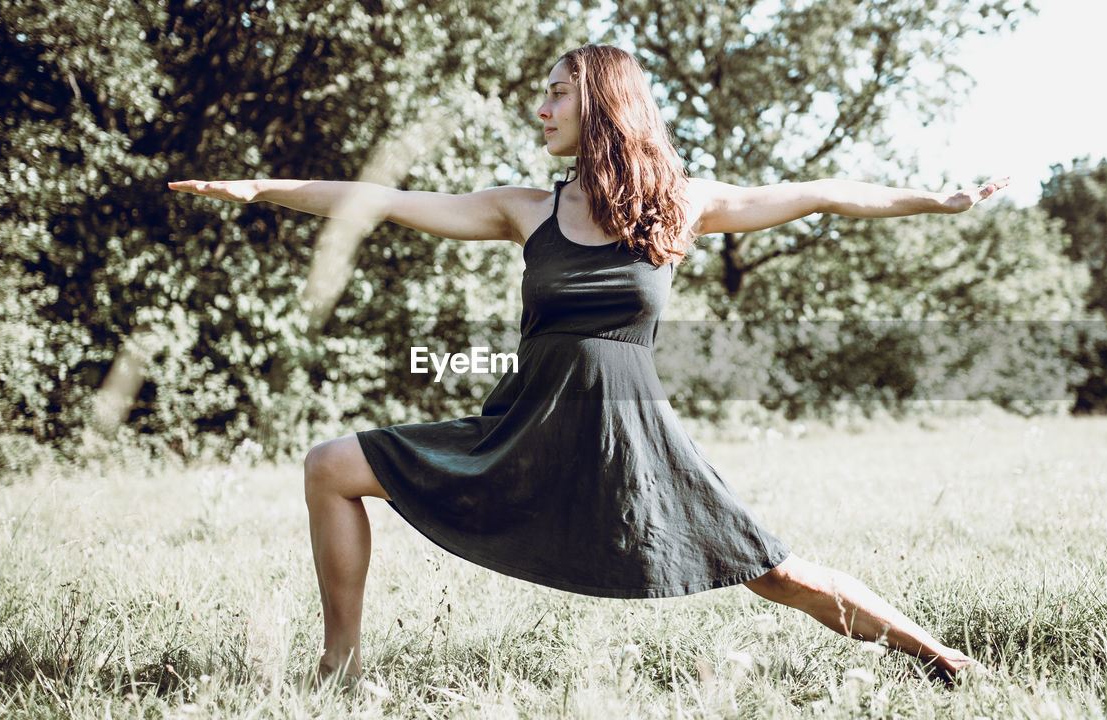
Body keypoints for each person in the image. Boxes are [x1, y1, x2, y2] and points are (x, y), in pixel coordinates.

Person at [169, 44, 1005, 687]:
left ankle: (945, 662)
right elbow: (380, 202)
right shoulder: (524, 210)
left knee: (770, 571)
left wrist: (938, 200)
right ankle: (340, 671)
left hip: (632, 438)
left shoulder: (681, 203)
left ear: (601, 100)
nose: (541, 109)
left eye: (556, 91)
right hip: (526, 428)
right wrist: (261, 188)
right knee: (329, 467)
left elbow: (821, 191)